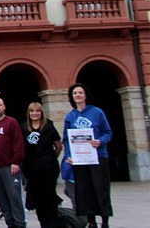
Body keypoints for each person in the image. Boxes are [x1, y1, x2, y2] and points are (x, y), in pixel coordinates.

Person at [63, 83, 113, 228]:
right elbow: (66, 139)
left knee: (101, 189)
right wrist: (69, 156)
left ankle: (105, 221)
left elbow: (108, 132)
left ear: (85, 95)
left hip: (98, 157)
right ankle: (91, 221)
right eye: (74, 93)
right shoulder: (70, 116)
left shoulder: (97, 112)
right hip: (80, 159)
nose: (77, 95)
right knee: (85, 191)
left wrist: (100, 141)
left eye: (80, 92)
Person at [0, 98, 26, 228]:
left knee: (14, 198)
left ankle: (20, 223)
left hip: (9, 167)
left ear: (4, 107)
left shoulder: (11, 122)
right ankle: (10, 224)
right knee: (1, 199)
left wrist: (16, 162)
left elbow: (18, 143)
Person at [22, 102, 63, 228]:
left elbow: (58, 146)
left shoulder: (49, 126)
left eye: (37, 111)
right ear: (29, 113)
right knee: (38, 199)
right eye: (32, 111)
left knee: (49, 197)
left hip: (48, 168)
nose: (35, 113)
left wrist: (50, 157)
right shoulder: (24, 127)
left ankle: (52, 223)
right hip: (32, 169)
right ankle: (43, 223)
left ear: (42, 112)